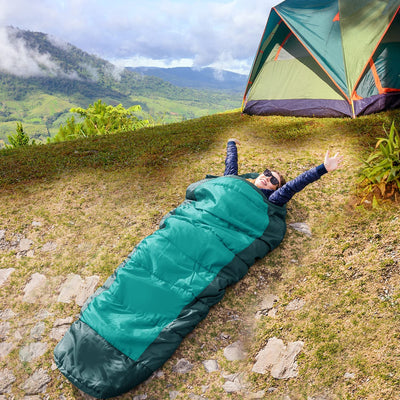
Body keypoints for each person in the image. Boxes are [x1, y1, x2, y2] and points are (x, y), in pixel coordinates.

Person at [224, 139, 343, 207]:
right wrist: (231, 144)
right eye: (267, 173)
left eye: (274, 181)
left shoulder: (269, 198)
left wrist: (323, 168)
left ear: (275, 189)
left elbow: (294, 184)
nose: (268, 178)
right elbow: (230, 165)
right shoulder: (237, 182)